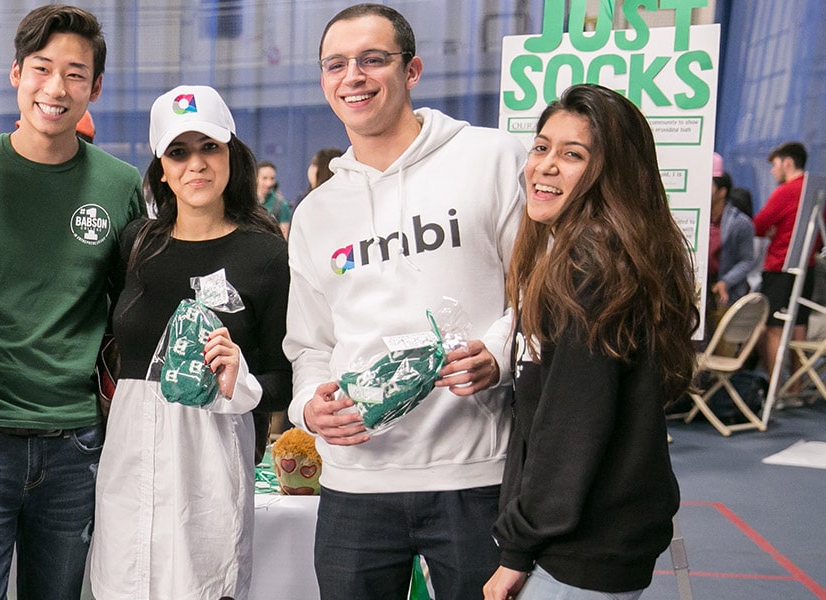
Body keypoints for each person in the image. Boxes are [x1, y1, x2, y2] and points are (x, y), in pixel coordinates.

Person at [285, 4, 526, 599]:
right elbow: (311, 344)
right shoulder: (317, 212)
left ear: (412, 69)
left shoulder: (493, 160)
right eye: (336, 64)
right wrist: (307, 411)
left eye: (373, 59)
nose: (354, 77)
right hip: (354, 484)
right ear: (323, 81)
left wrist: (497, 354)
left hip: (474, 473)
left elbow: (541, 292)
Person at [0, 5, 144, 598]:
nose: (56, 88)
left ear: (95, 88)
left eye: (75, 74)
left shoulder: (121, 185)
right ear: (16, 74)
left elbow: (134, 302)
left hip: (77, 441)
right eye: (42, 69)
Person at [484, 83, 696, 600]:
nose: (545, 166)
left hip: (578, 548)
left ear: (612, 173)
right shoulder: (599, 254)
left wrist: (516, 550)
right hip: (599, 536)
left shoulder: (590, 267)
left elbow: (571, 425)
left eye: (572, 154)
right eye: (541, 147)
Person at [89, 85, 290, 599]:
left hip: (210, 462)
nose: (194, 164)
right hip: (127, 458)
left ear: (231, 155)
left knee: (202, 583)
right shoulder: (138, 243)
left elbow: (285, 380)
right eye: (178, 152)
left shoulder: (264, 254)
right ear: (160, 167)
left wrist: (239, 382)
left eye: (209, 147)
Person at [752, 141, 811, 375]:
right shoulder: (814, 190)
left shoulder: (786, 192)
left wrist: (771, 230)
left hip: (780, 267)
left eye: (775, 165)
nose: (772, 170)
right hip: (807, 267)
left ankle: (774, 391)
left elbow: (757, 225)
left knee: (773, 328)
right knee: (799, 327)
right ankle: (794, 390)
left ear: (788, 163)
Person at [710, 157, 756, 312]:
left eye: (709, 186)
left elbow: (747, 260)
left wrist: (726, 281)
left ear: (722, 192)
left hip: (725, 292)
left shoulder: (740, 223)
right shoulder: (697, 219)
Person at [257, 160, 292, 236]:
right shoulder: (247, 202)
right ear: (255, 178)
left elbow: (284, 237)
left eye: (272, 178)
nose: (269, 183)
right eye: (264, 178)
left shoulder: (282, 205)